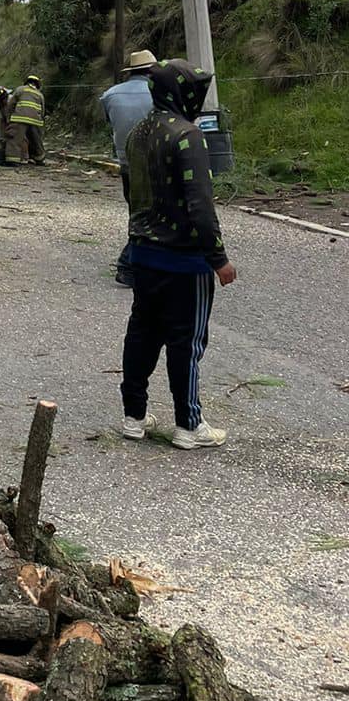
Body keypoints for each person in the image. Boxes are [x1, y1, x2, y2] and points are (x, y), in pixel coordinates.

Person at [120, 59, 237, 450]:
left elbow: (130, 192)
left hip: (143, 253)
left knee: (142, 334)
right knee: (186, 342)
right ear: (183, 94)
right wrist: (218, 258)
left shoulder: (137, 134)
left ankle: (134, 416)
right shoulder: (188, 136)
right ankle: (188, 424)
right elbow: (201, 206)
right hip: (185, 262)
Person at [101, 49, 158, 287]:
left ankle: (142, 261)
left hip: (126, 163)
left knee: (137, 212)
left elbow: (109, 122)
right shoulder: (158, 93)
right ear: (151, 71)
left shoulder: (109, 95)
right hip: (154, 163)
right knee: (153, 216)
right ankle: (128, 264)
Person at [7, 74, 46, 165]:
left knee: (15, 138)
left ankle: (12, 160)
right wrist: (41, 121)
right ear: (37, 84)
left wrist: (9, 117)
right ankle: (39, 158)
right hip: (35, 120)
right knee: (36, 140)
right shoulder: (39, 94)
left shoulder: (20, 89)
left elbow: (11, 104)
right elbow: (42, 110)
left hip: (19, 118)